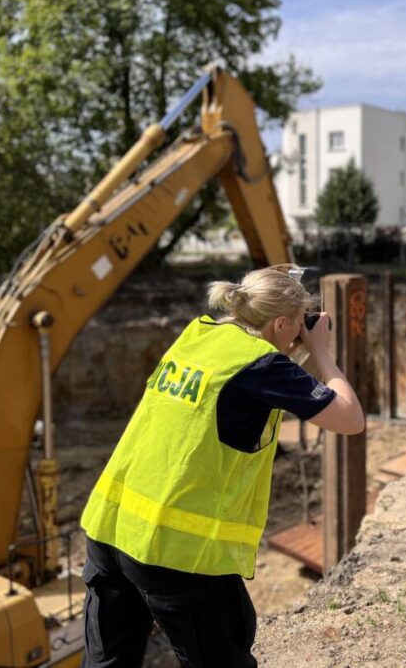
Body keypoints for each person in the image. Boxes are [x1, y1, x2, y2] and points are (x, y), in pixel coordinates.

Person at [78, 264, 365, 668]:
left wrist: (290, 346)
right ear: (282, 322)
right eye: (298, 324)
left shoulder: (198, 336)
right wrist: (321, 353)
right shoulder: (263, 366)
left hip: (109, 530)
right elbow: (351, 419)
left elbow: (243, 387)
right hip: (175, 551)